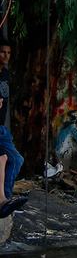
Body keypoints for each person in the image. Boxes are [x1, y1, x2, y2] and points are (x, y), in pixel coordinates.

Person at [0, 40, 26, 218]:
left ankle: (5, 200)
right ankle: (4, 200)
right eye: (2, 52)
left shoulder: (6, 74)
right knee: (7, 158)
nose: (6, 56)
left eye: (8, 52)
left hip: (1, 128)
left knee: (13, 159)